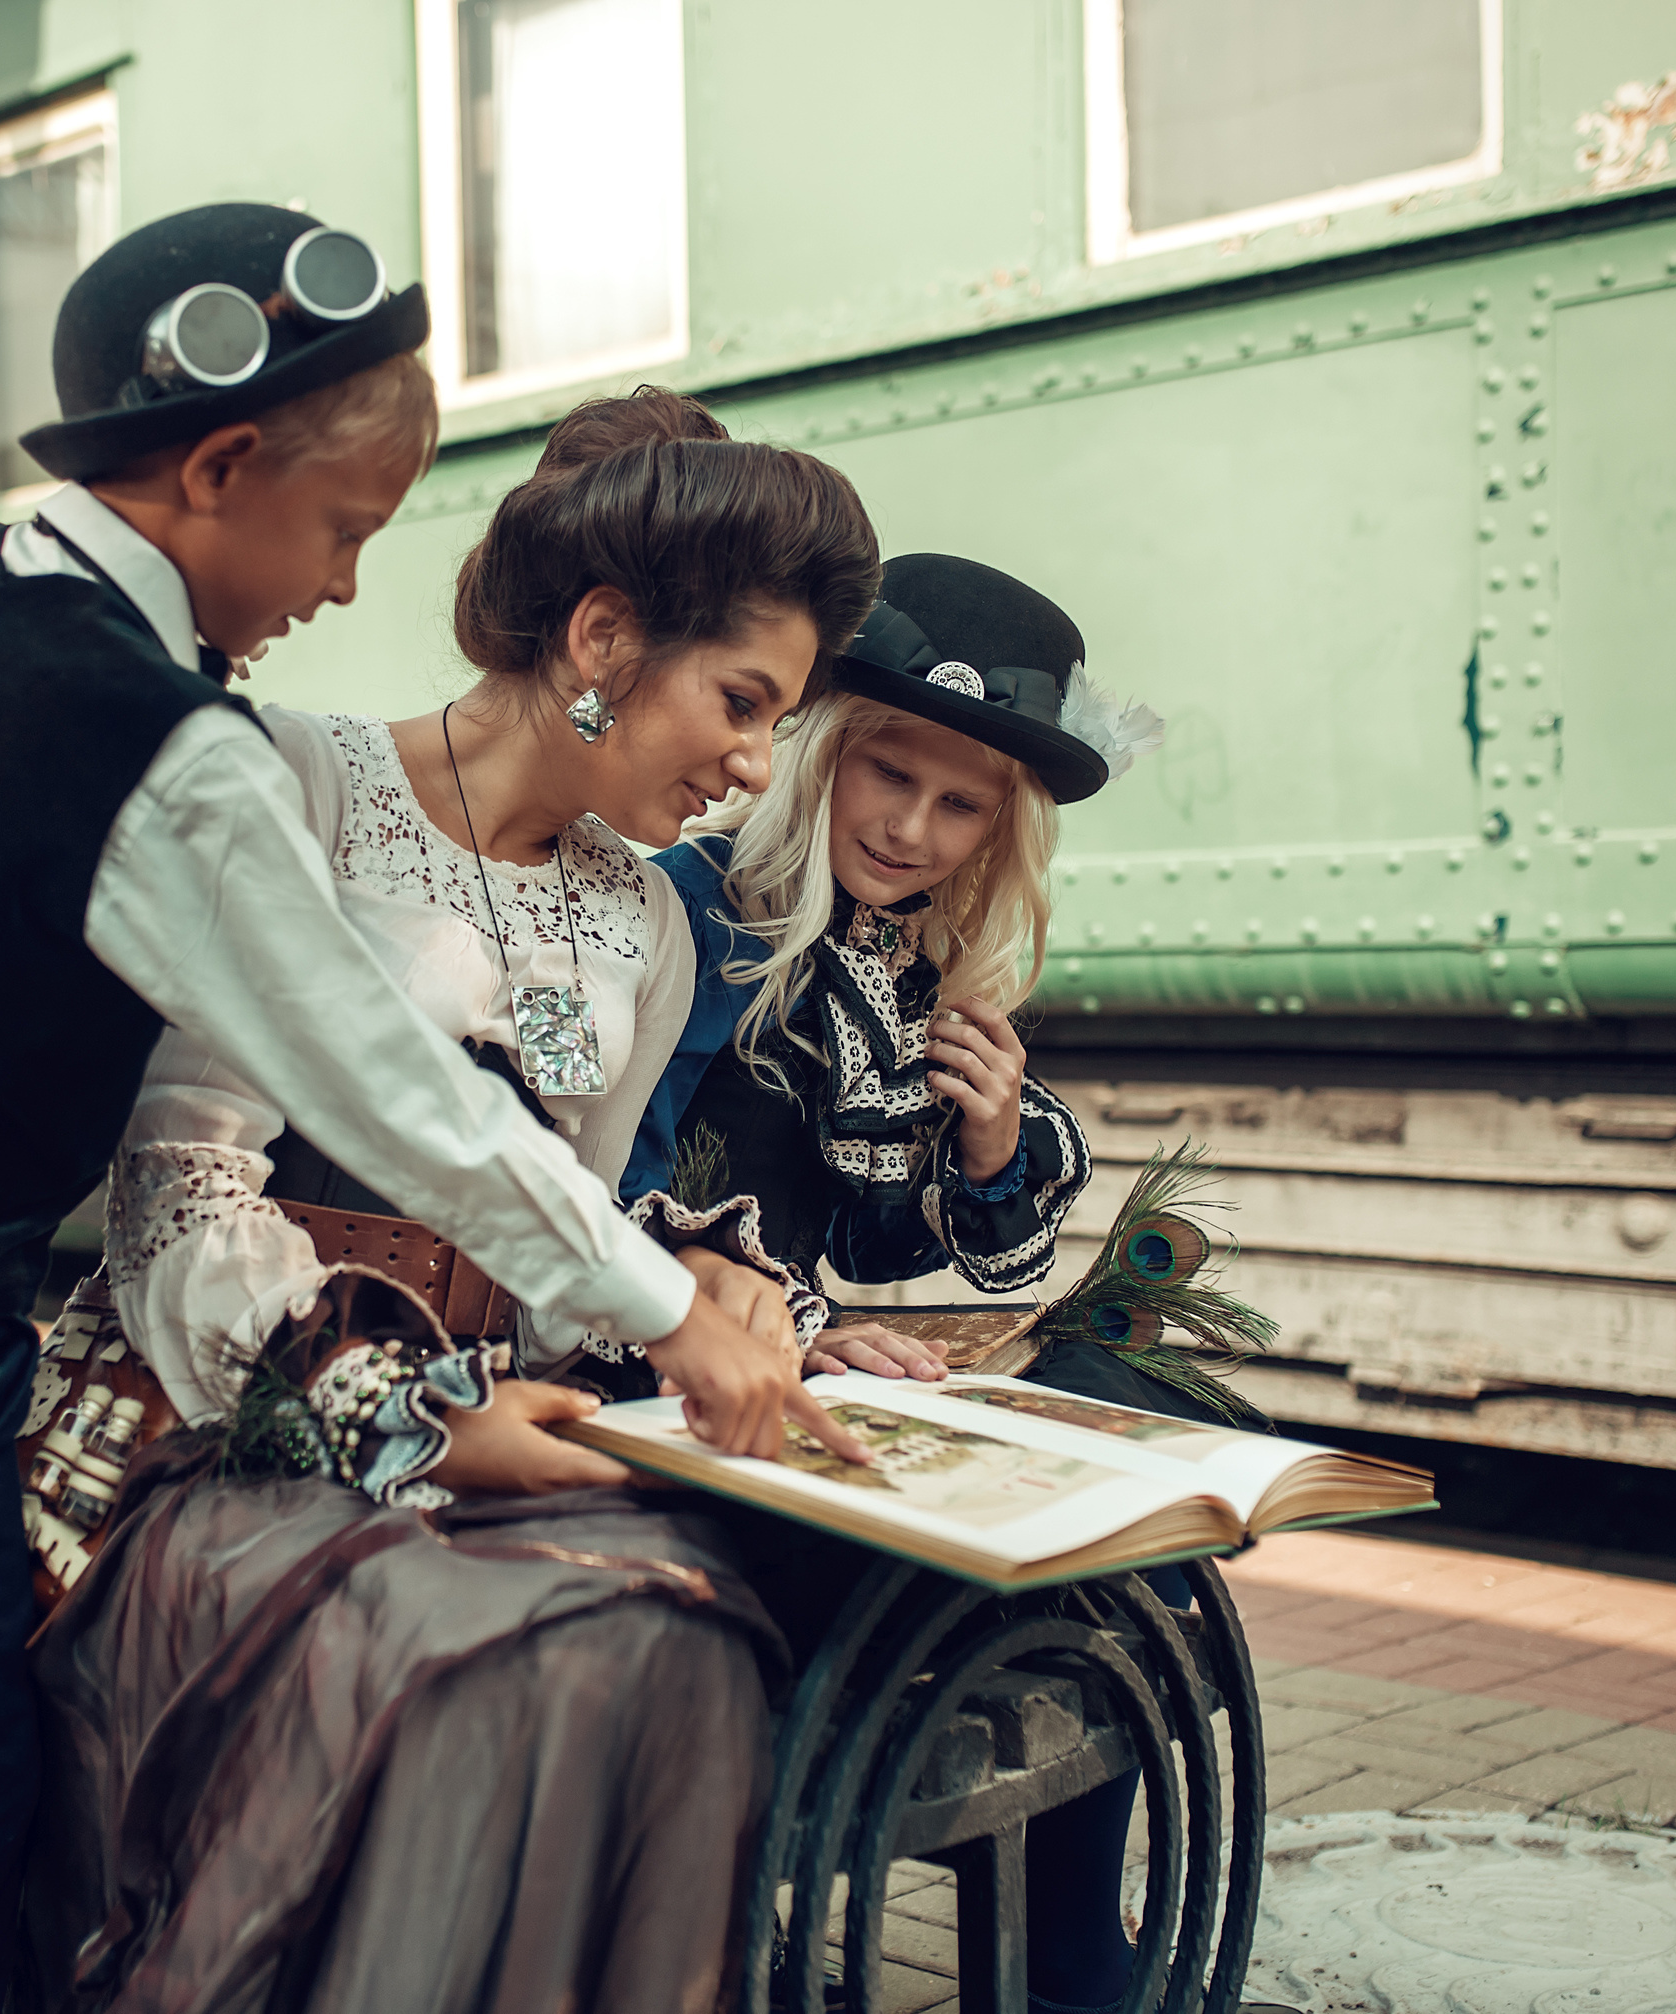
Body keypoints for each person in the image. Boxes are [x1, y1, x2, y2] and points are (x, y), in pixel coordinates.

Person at [0, 208, 839, 2014]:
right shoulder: (180, 751)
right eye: (341, 530)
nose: (341, 588)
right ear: (222, 466)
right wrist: (662, 1317)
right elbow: (383, 1081)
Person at [19, 388, 885, 2012]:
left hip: (499, 1422)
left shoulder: (647, 922)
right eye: (745, 701)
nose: (760, 768)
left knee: (683, 1639)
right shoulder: (301, 787)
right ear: (606, 634)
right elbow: (182, 1197)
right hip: (241, 1425)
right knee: (492, 1652)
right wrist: (401, 1419)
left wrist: (718, 1284)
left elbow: (578, 1218)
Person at [623, 554, 1207, 2014]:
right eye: (887, 773)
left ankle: (1062, 1959)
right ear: (823, 745)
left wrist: (995, 1135)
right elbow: (608, 1185)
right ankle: (1063, 1972)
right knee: (1032, 1579)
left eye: (963, 807)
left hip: (801, 1386)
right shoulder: (693, 916)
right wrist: (802, 1330)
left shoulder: (905, 969)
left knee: (1106, 1449)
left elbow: (920, 1250)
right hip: (666, 1393)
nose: (912, 827)